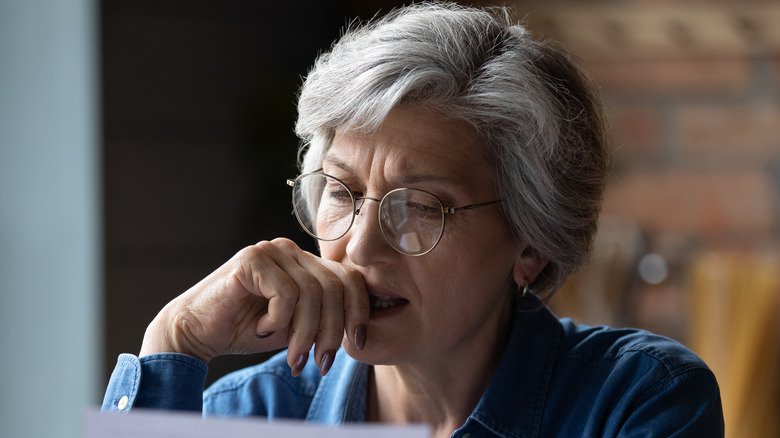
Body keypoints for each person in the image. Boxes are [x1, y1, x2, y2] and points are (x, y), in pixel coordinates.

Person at [102, 2, 724, 437]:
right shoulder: (251, 413)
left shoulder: (637, 401)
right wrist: (174, 341)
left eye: (421, 207)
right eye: (341, 193)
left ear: (531, 243)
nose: (360, 247)